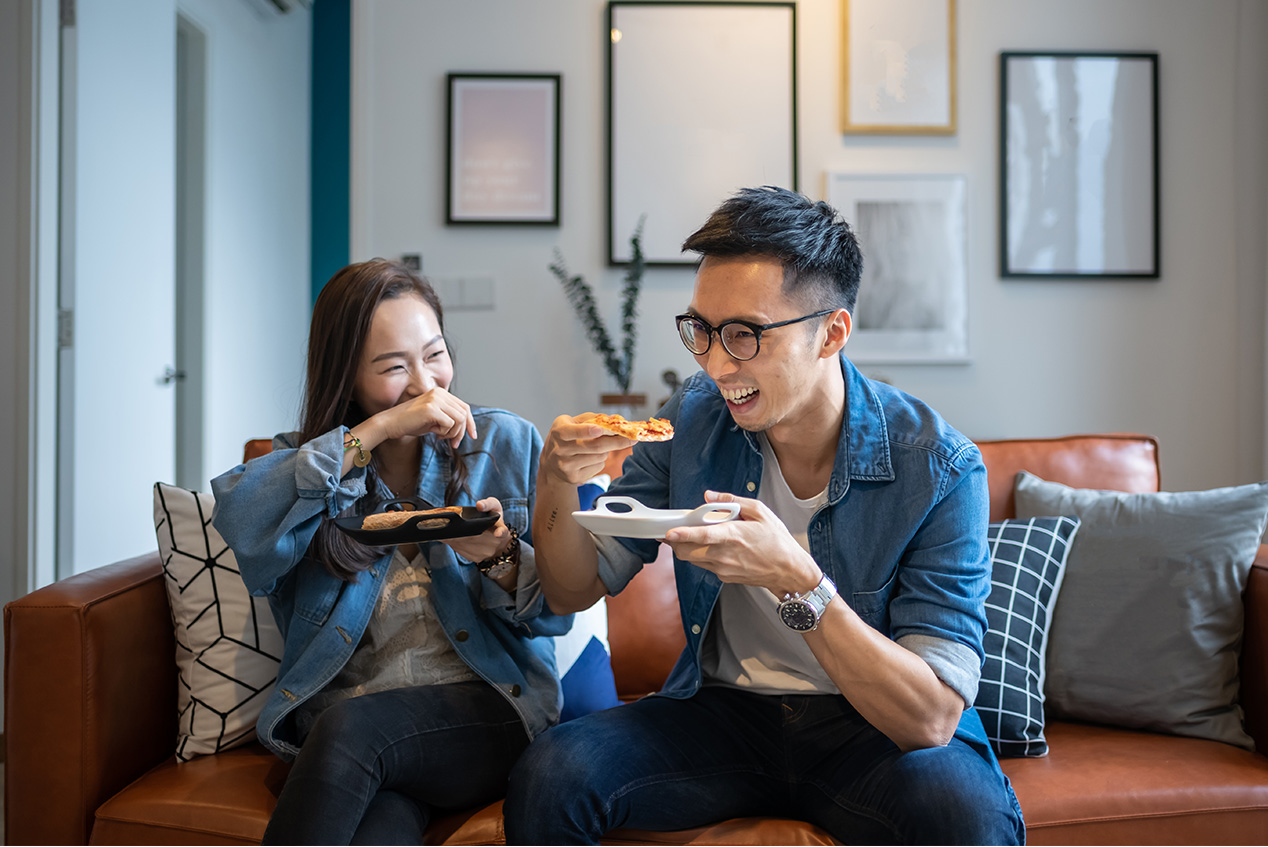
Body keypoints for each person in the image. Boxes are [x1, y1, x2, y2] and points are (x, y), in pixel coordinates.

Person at [504, 186, 1024, 845]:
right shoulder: (693, 417)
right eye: (702, 330)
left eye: (745, 335)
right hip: (722, 715)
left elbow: (927, 718)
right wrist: (555, 477)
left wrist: (797, 582)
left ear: (831, 332)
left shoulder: (939, 468)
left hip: (871, 729)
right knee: (552, 771)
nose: (717, 364)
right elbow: (571, 588)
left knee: (966, 818)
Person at [211, 259, 570, 845]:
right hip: (359, 733)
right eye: (393, 368)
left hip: (484, 713)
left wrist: (497, 555)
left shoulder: (505, 443)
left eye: (435, 355)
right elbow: (242, 519)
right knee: (380, 823)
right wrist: (373, 434)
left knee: (351, 729)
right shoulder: (309, 466)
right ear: (346, 376)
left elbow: (556, 613)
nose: (426, 386)